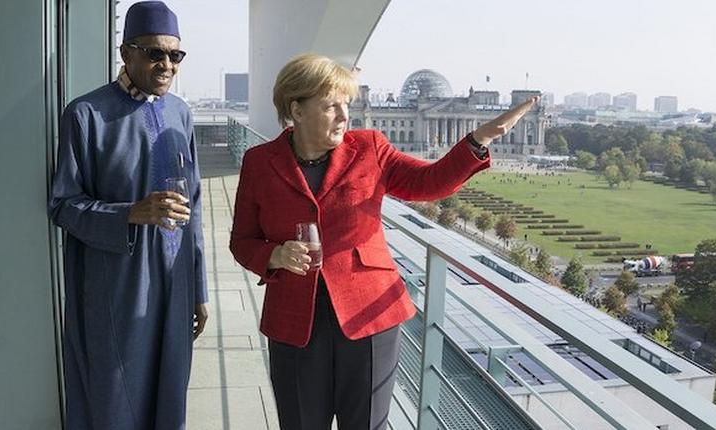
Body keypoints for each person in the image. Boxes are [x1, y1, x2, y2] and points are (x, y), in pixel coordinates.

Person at [229, 53, 539, 430]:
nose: (345, 116)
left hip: (369, 314)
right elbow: (242, 241)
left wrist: (478, 140)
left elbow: (429, 183)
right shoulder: (260, 162)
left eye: (347, 105)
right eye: (331, 106)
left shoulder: (370, 148)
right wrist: (275, 254)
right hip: (295, 321)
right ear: (297, 109)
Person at [48, 2, 207, 428]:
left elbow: (195, 208)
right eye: (155, 53)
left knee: (170, 387)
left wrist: (200, 288)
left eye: (175, 55)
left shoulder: (180, 114)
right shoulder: (87, 115)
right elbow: (63, 205)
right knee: (116, 393)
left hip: (174, 286)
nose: (166, 65)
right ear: (126, 53)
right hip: (117, 287)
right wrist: (130, 214)